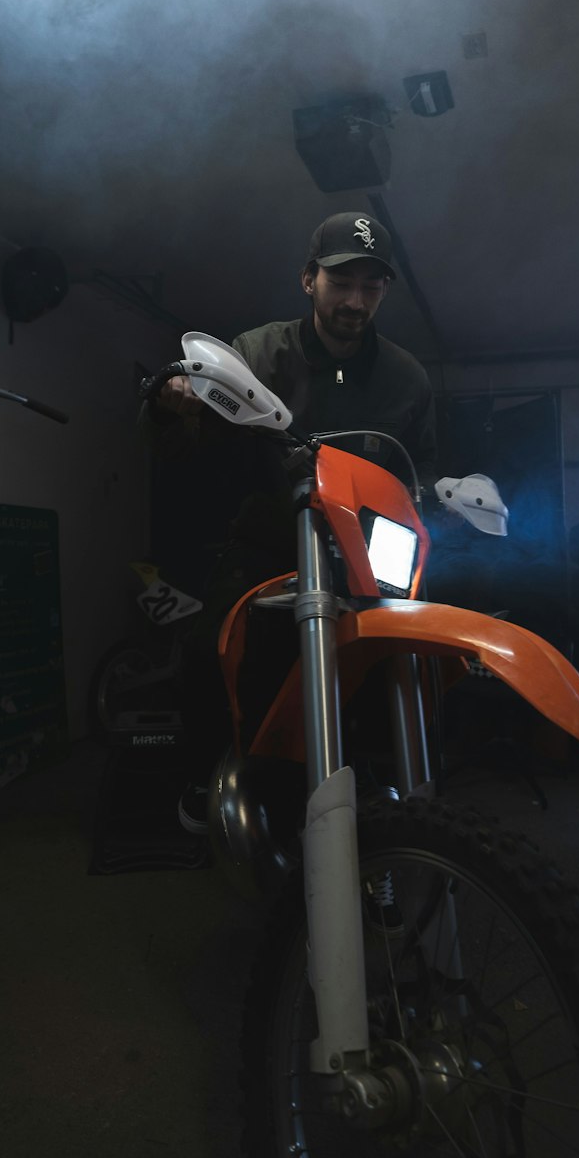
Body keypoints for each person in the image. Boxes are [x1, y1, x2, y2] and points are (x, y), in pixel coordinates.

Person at [151, 211, 437, 833]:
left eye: (371, 286)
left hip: (363, 549)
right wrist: (174, 403)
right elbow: (195, 431)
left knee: (399, 662)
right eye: (341, 282)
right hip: (271, 537)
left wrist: (448, 490)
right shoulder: (257, 351)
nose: (355, 301)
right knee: (206, 652)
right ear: (309, 279)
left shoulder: (408, 379)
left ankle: (386, 812)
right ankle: (206, 776)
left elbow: (425, 467)